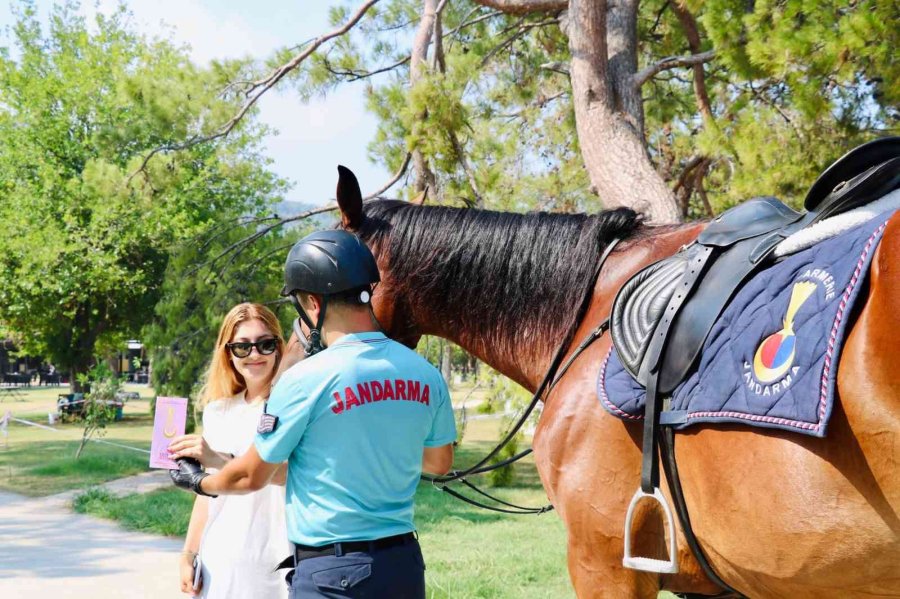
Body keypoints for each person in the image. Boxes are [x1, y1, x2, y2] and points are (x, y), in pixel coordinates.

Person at [170, 229, 456, 599]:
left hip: (331, 573)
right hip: (402, 566)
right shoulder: (425, 374)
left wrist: (198, 482)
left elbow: (251, 478)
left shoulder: (305, 380)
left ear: (313, 304)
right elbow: (439, 463)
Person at [168, 303, 290, 598]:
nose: (255, 355)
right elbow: (207, 492)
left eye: (265, 344)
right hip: (218, 559)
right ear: (228, 352)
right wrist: (189, 553)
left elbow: (292, 473)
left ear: (278, 347)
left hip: (274, 559)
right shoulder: (217, 411)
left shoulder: (290, 406)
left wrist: (219, 460)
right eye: (242, 347)